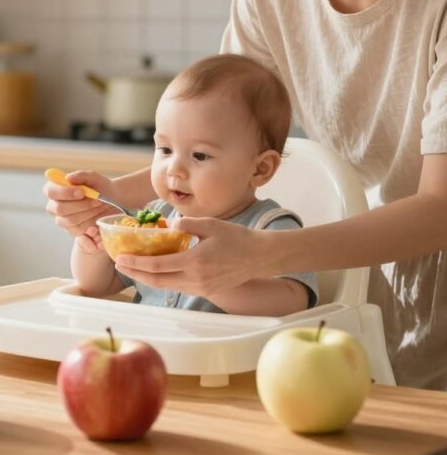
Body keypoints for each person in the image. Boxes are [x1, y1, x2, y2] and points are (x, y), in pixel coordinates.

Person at [44, 0, 447, 455]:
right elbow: (216, 147)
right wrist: (112, 196)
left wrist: (260, 254)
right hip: (371, 265)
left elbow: (445, 211)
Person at [72, 54, 318, 317]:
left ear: (260, 168)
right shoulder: (155, 220)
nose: (174, 169)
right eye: (165, 149)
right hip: (149, 351)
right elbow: (98, 286)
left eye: (200, 155)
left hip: (226, 357)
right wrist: (93, 249)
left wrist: (213, 284)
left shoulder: (270, 228)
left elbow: (293, 301)